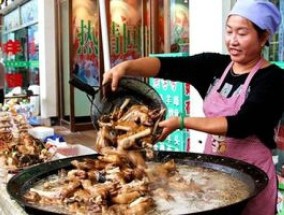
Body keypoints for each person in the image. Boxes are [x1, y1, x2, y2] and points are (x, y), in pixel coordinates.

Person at [102, 0, 283, 214]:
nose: (233, 40)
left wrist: (182, 122)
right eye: (229, 32)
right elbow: (168, 66)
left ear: (263, 37)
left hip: (253, 174)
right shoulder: (215, 65)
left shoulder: (273, 79)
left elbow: (242, 124)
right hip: (216, 169)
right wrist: (127, 66)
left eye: (242, 33)